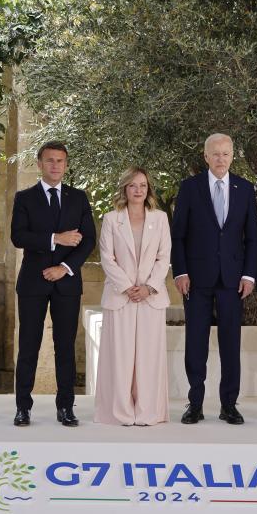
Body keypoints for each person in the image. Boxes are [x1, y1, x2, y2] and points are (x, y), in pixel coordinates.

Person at [171, 133, 257, 425]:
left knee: (230, 344)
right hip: (195, 280)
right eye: (215, 154)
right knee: (195, 343)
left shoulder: (245, 189)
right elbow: (179, 235)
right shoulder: (189, 188)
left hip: (233, 281)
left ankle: (229, 405)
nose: (221, 159)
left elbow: (252, 239)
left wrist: (249, 274)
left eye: (226, 153)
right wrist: (180, 272)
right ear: (205, 156)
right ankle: (194, 403)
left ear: (233, 156)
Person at [11, 141, 96, 427]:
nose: (55, 165)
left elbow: (89, 240)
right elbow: (18, 236)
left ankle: (66, 408)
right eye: (50, 160)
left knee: (65, 348)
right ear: (39, 163)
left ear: (66, 165)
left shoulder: (79, 198)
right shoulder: (24, 198)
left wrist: (64, 267)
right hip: (33, 283)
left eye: (60, 161)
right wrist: (55, 238)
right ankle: (23, 407)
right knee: (29, 346)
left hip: (67, 283)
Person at [94, 167, 171, 426]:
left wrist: (148, 287)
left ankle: (149, 412)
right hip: (120, 297)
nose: (138, 190)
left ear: (148, 189)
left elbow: (164, 257)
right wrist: (128, 287)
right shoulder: (110, 219)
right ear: (124, 188)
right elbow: (107, 257)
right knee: (120, 357)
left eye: (143, 185)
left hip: (151, 297)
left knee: (149, 358)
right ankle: (119, 413)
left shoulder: (159, 219)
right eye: (133, 185)